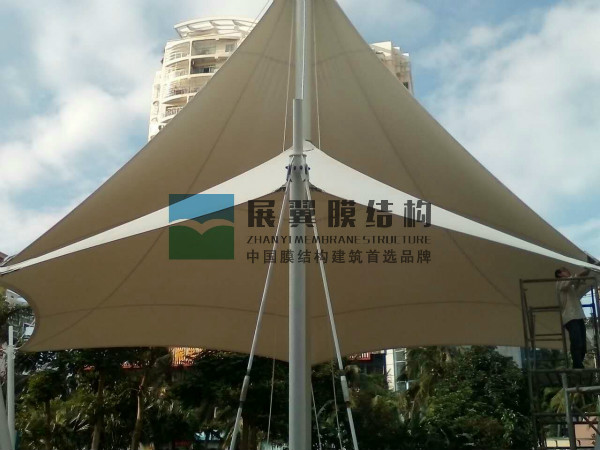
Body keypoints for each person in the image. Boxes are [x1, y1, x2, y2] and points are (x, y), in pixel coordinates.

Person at [555, 267, 593, 368]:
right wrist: (579, 275)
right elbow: (569, 282)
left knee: (582, 344)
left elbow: (575, 285)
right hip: (570, 317)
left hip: (578, 316)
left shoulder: (569, 285)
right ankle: (577, 365)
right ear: (559, 274)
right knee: (576, 341)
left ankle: (578, 364)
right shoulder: (559, 283)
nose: (568, 272)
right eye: (565, 271)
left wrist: (581, 277)